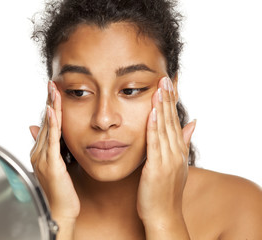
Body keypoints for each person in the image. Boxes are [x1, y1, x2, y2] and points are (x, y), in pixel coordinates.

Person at [29, 0, 262, 239]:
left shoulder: (238, 207)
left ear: (172, 87)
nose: (104, 119)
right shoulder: (5, 207)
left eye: (131, 90)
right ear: (52, 95)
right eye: (78, 91)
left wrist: (164, 218)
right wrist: (57, 218)